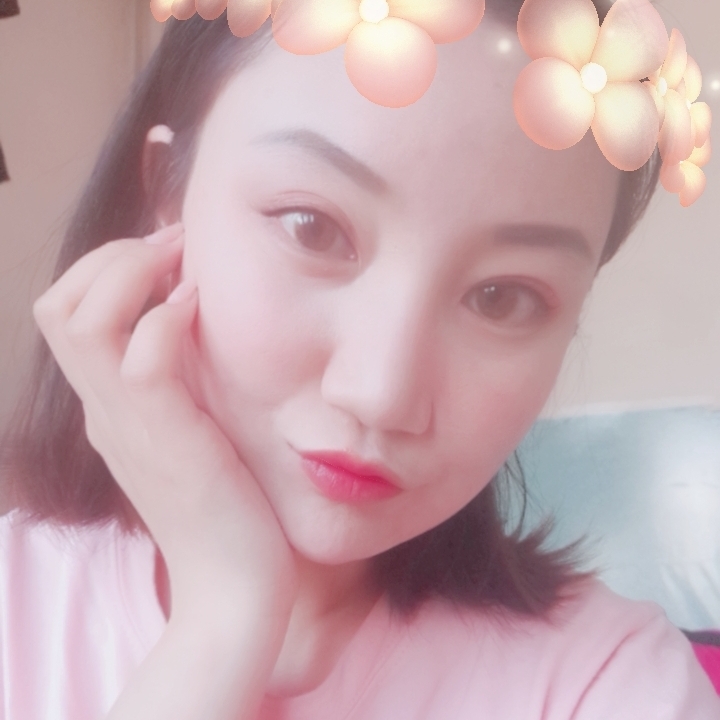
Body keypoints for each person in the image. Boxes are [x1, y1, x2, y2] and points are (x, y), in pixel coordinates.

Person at [0, 1, 718, 719]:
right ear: (166, 194)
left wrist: (225, 612)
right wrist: (222, 620)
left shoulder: (616, 687)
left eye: (503, 297)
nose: (381, 394)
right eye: (311, 227)